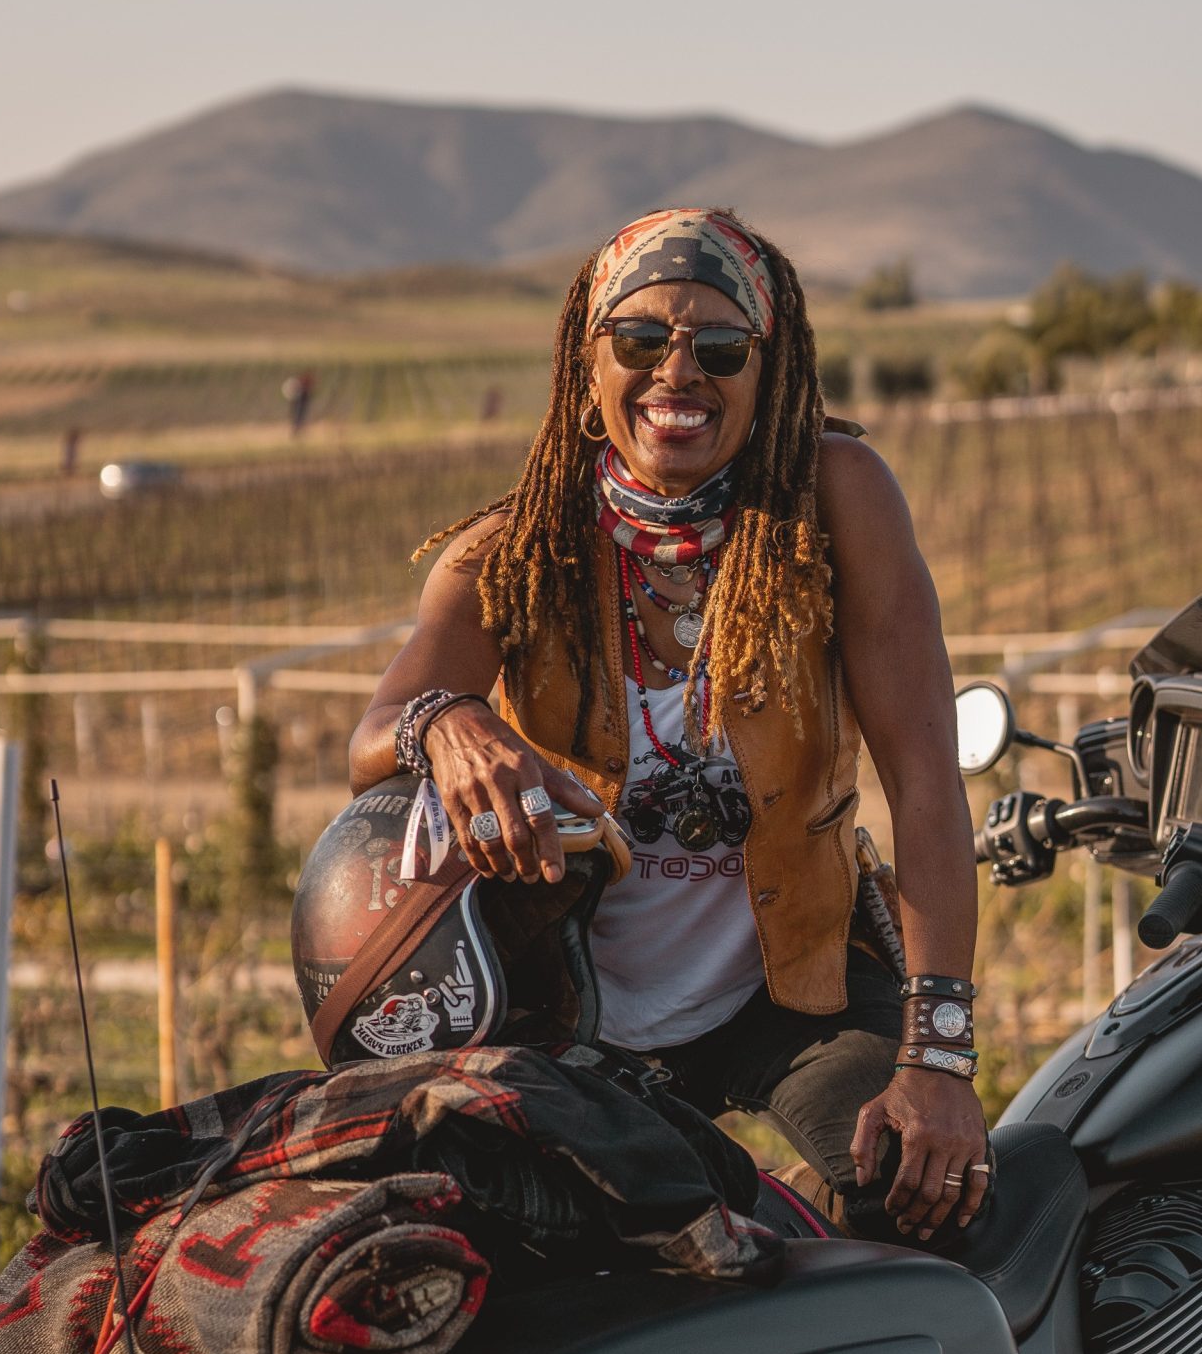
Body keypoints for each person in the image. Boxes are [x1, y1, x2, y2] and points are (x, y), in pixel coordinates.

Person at [348, 207, 988, 1241]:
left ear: (768, 370)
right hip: (579, 1015)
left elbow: (925, 779)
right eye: (640, 340)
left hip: (794, 993)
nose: (677, 372)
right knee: (576, 1266)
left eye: (720, 347)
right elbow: (374, 734)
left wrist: (939, 1058)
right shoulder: (509, 554)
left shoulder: (835, 502)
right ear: (588, 363)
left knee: (927, 1201)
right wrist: (449, 721)